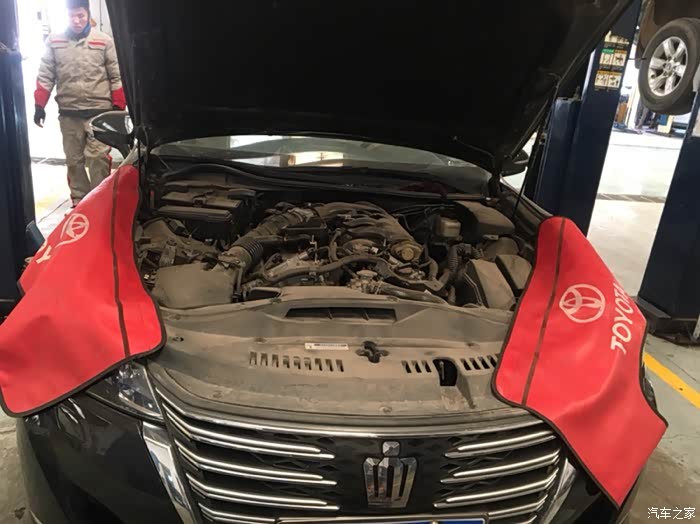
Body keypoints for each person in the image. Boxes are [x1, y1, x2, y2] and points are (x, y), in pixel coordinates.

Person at [33, 0, 126, 207]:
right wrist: (39, 105)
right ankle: (79, 202)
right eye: (71, 16)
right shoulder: (54, 41)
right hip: (69, 114)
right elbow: (45, 75)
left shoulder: (104, 41)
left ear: (87, 15)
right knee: (74, 161)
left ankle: (100, 201)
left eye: (80, 16)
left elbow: (117, 76)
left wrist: (118, 109)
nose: (76, 20)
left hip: (100, 114)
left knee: (98, 158)